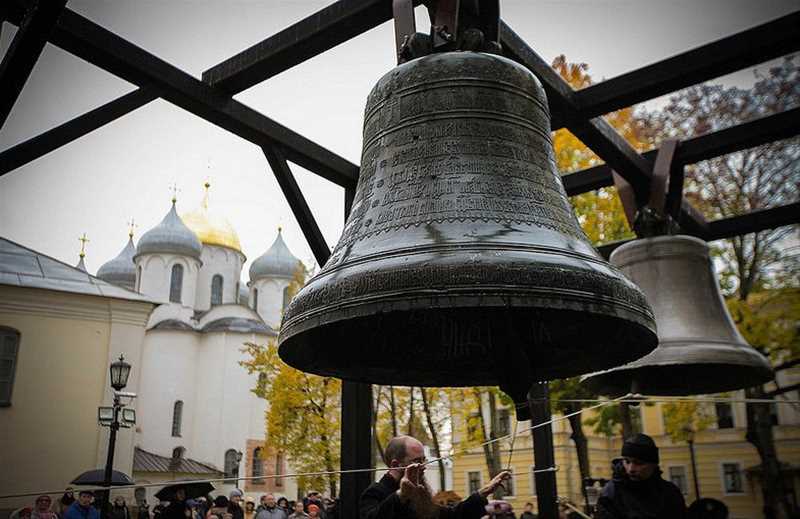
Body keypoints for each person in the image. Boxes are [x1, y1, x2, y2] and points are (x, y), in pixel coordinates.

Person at [360, 435, 510, 519]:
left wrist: (483, 492)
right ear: (395, 464)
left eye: (424, 460)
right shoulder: (374, 493)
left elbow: (452, 516)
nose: (424, 466)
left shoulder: (419, 495)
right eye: (417, 461)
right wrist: (401, 495)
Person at [594, 433, 687, 519]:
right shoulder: (610, 493)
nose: (631, 469)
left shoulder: (670, 493)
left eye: (638, 463)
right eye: (627, 461)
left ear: (653, 465)